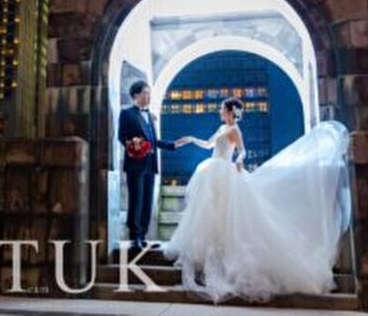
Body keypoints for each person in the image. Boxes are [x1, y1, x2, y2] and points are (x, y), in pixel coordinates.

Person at [163, 97, 351, 303]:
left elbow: (242, 149)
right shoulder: (222, 128)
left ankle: (223, 254)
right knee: (210, 212)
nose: (220, 112)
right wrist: (191, 139)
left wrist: (240, 159)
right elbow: (209, 145)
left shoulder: (235, 130)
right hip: (213, 169)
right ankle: (212, 251)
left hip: (224, 171)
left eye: (222, 109)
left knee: (226, 213)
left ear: (230, 112)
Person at [117, 80, 179, 250]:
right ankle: (135, 237)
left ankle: (143, 236)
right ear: (136, 95)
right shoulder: (127, 114)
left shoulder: (150, 115)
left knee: (147, 201)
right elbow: (122, 137)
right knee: (136, 200)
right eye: (146, 93)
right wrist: (134, 145)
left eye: (150, 93)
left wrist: (172, 145)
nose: (149, 96)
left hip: (151, 164)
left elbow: (153, 141)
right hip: (135, 164)